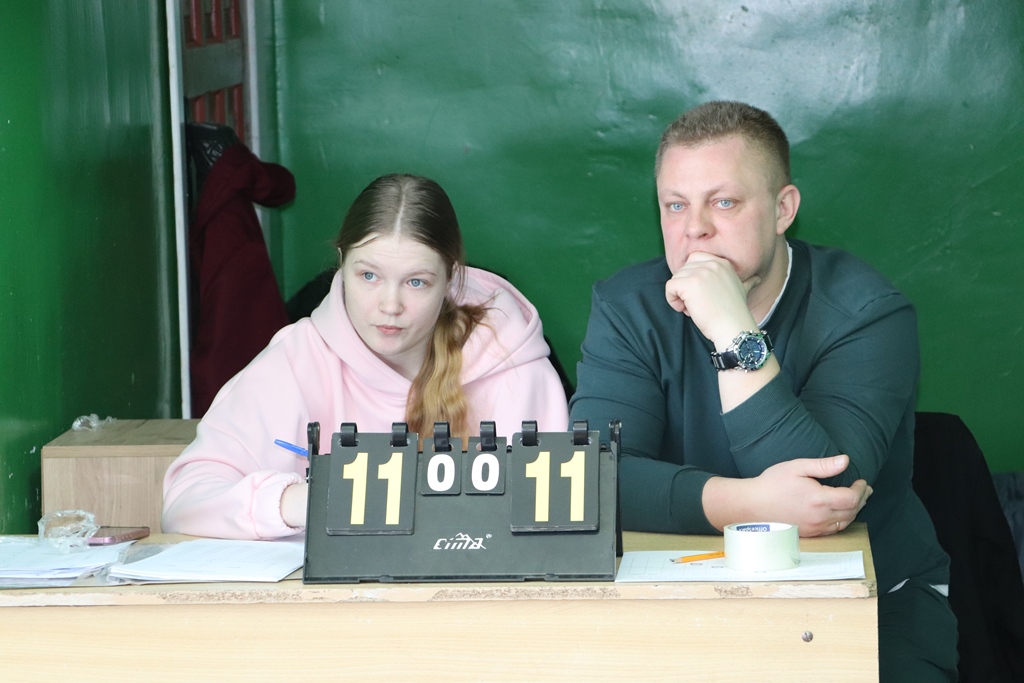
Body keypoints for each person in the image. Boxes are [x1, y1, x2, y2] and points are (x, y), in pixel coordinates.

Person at [569, 101, 957, 680]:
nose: (695, 228)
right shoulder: (628, 307)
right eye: (676, 205)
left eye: (724, 202)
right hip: (683, 593)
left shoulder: (866, 313)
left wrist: (733, 332)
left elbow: (824, 495)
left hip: (869, 600)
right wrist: (750, 504)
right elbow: (591, 484)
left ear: (783, 209)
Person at [164, 173, 569, 539]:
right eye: (369, 276)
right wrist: (305, 500)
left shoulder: (514, 368)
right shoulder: (295, 360)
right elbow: (185, 501)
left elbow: (555, 518)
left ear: (450, 278)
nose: (389, 305)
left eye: (416, 282)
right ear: (342, 263)